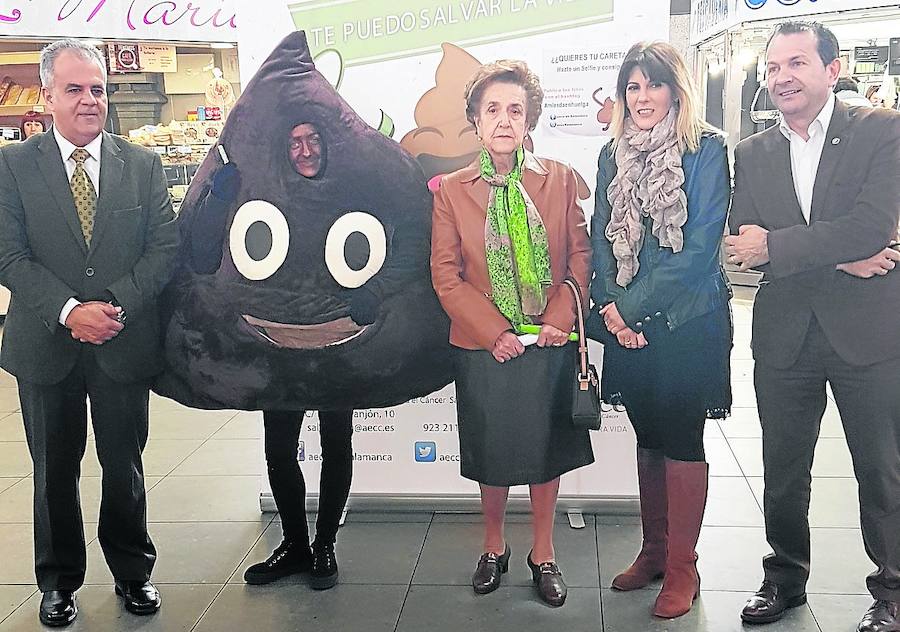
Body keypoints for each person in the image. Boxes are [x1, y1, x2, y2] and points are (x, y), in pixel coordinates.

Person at [725, 21, 900, 632]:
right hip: (785, 333)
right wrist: (835, 250)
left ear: (832, 69)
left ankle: (893, 591)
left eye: (796, 63)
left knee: (880, 468)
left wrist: (780, 246)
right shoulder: (753, 152)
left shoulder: (881, 131)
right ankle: (785, 579)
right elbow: (744, 244)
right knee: (783, 468)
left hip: (869, 333)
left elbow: (871, 228)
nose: (781, 77)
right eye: (772, 68)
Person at [0, 39, 179, 626]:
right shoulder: (13, 167)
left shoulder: (143, 165)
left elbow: (164, 249)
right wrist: (69, 309)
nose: (88, 101)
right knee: (54, 468)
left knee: (123, 462)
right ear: (48, 95)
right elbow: (9, 255)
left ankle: (133, 572)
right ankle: (57, 581)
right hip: (45, 343)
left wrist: (113, 304)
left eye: (97, 89)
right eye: (74, 89)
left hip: (121, 340)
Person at [431, 59, 594, 608]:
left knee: (545, 453)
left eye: (515, 110)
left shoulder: (561, 179)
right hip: (484, 347)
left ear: (530, 121)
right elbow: (445, 275)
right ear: (476, 120)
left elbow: (579, 257)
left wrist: (559, 318)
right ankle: (494, 546)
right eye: (493, 109)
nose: (504, 120)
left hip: (547, 342)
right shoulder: (452, 191)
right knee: (493, 452)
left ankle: (543, 553)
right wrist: (492, 331)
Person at [586, 41, 732, 620]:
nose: (642, 98)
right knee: (647, 435)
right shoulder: (609, 154)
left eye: (653, 85)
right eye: (633, 87)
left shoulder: (706, 149)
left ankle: (682, 568)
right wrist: (612, 309)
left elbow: (699, 251)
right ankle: (653, 551)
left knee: (680, 438)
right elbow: (600, 236)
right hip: (627, 324)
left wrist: (632, 310)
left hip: (685, 322)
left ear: (676, 90)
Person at [184, 122, 355, 590]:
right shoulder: (262, 192)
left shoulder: (347, 189)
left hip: (337, 338)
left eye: (313, 139)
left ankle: (324, 546)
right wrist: (220, 195)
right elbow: (201, 249)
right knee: (279, 447)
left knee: (337, 442)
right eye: (294, 141)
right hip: (276, 343)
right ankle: (295, 544)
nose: (304, 150)